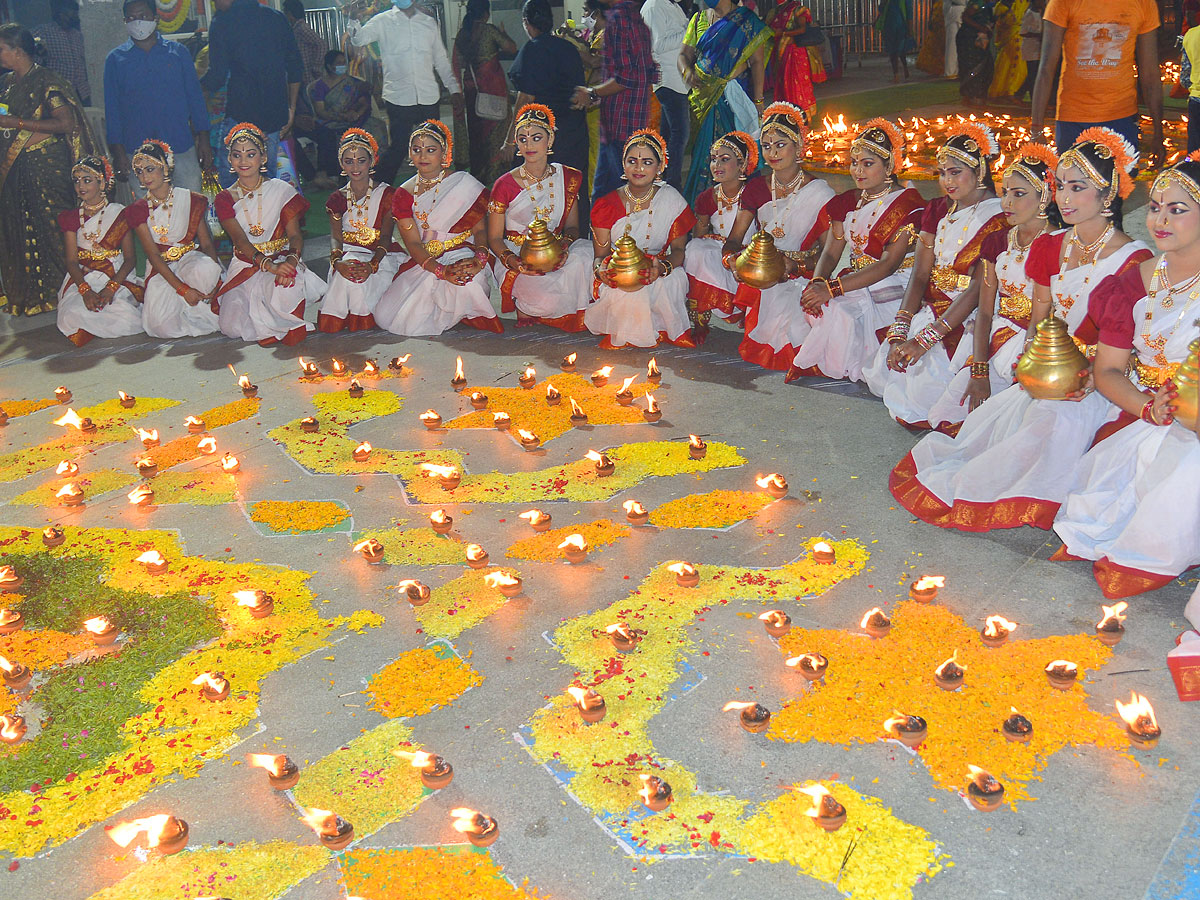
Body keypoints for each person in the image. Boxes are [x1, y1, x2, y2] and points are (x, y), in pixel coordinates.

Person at [889, 128, 1151, 532]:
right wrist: (1032, 366)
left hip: (1097, 379)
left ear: (1109, 193)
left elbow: (1124, 344)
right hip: (1047, 368)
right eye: (1061, 186)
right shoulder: (1051, 246)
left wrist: (1082, 378)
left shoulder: (1134, 260)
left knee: (1050, 426)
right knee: (993, 445)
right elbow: (1040, 319)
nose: (1064, 197)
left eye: (1078, 187)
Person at [1052, 160, 1200, 597]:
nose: (1159, 220)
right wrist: (1147, 409)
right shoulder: (1134, 281)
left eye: (1177, 209)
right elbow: (1109, 370)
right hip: (1146, 415)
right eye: (1155, 208)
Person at [861, 123, 1007, 431]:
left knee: (926, 393)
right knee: (885, 372)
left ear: (980, 170)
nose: (947, 181)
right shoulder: (937, 209)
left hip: (971, 315)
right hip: (932, 307)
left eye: (955, 172)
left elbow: (978, 290)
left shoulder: (999, 218)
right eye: (942, 173)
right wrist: (900, 329)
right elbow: (920, 274)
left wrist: (926, 339)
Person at [924, 143, 1060, 426]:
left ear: (1045, 196)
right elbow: (985, 312)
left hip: (1037, 351)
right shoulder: (998, 242)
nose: (1007, 203)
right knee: (943, 417)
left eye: (1019, 194)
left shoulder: (1060, 246)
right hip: (997, 342)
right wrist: (979, 371)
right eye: (1005, 193)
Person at [788, 119, 924, 382]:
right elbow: (830, 253)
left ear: (890, 166)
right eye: (854, 162)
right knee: (819, 305)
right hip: (858, 279)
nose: (858, 170)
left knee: (840, 310)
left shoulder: (908, 207)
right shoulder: (847, 202)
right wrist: (817, 282)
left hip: (895, 283)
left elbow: (888, 265)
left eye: (868, 163)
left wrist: (832, 288)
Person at [723, 102, 834, 370]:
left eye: (780, 144)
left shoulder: (821, 194)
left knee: (799, 333)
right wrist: (733, 261)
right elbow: (734, 239)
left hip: (805, 275)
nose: (772, 153)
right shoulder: (756, 189)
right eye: (766, 145)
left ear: (798, 147)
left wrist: (795, 266)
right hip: (763, 273)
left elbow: (828, 254)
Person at [0, 24, 95, 318]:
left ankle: (64, 293)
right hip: (15, 169)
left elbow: (66, 124)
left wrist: (18, 123)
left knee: (53, 230)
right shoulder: (6, 84)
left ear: (18, 51)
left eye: (2, 48)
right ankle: (27, 298)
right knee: (18, 228)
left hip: (46, 168)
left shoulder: (47, 82)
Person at [375, 119, 501, 335]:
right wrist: (440, 270)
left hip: (463, 251)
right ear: (409, 154)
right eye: (417, 150)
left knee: (466, 283)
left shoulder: (464, 183)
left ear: (444, 153)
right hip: (424, 258)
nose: (423, 156)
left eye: (430, 150)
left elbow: (480, 230)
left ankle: (465, 309)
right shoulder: (404, 193)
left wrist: (479, 260)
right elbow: (413, 242)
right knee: (390, 316)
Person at [214, 122, 326, 345]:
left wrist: (291, 262)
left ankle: (286, 316)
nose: (243, 161)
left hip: (283, 257)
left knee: (283, 286)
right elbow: (239, 239)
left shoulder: (282, 190)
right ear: (230, 160)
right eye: (237, 155)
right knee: (231, 326)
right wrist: (267, 265)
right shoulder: (224, 198)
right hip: (246, 265)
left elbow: (295, 235)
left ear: (263, 158)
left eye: (251, 154)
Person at [585, 128, 695, 348]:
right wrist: (602, 272)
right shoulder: (605, 205)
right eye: (632, 160)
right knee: (629, 287)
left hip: (659, 264)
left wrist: (661, 267)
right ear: (623, 164)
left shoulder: (671, 199)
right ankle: (628, 333)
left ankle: (666, 329)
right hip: (619, 267)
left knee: (672, 280)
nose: (638, 168)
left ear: (660, 166)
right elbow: (600, 256)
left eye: (647, 162)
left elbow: (680, 251)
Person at [488, 104, 593, 330]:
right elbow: (494, 238)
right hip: (518, 253)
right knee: (542, 297)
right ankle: (529, 305)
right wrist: (513, 261)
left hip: (556, 248)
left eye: (536, 138)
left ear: (550, 139)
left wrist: (563, 247)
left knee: (586, 255)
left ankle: (553, 305)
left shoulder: (567, 177)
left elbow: (573, 228)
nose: (529, 145)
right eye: (523, 139)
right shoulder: (504, 184)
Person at [345, 0, 464, 187]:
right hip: (398, 97)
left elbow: (440, 59)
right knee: (399, 147)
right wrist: (353, 20)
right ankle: (378, 188)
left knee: (435, 146)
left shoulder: (428, 22)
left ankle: (436, 187)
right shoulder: (382, 21)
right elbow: (358, 39)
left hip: (428, 96)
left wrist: (454, 89)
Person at [105, 0, 214, 194]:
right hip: (138, 150)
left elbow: (195, 99)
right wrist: (118, 153)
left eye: (143, 16)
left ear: (155, 18)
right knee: (149, 213)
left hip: (179, 144)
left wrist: (204, 139)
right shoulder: (115, 60)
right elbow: (112, 110)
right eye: (131, 18)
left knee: (191, 205)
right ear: (125, 21)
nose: (137, 22)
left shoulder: (178, 53)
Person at [1032, 0, 1163, 161]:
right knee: (1074, 183)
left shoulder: (1143, 4)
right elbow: (1046, 68)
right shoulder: (1063, 2)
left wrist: (1159, 132)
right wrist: (1036, 130)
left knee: (1120, 184)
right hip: (1073, 117)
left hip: (1122, 117)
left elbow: (1150, 73)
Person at [202, 0, 304, 187]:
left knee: (233, 182)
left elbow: (217, 75)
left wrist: (196, 93)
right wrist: (292, 108)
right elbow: (296, 66)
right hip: (274, 115)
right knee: (268, 180)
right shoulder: (277, 18)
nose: (215, 3)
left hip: (240, 115)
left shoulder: (222, 21)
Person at [127, 140, 222, 338]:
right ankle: (187, 308)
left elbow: (205, 243)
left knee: (205, 269)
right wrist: (182, 290)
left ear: (166, 167)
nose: (144, 176)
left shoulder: (190, 199)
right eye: (139, 171)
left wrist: (215, 277)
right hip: (161, 270)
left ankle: (201, 305)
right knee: (160, 327)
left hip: (190, 260)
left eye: (150, 169)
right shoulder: (138, 210)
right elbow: (153, 255)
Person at [678, 0, 771, 202]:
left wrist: (758, 101)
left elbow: (756, 62)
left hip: (733, 100)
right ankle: (704, 205)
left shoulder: (747, 21)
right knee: (703, 154)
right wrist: (687, 71)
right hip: (701, 101)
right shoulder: (698, 20)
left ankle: (742, 206)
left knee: (737, 153)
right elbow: (684, 54)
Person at [509, 0, 591, 227]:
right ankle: (578, 240)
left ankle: (545, 241)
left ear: (526, 23)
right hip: (574, 132)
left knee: (542, 188)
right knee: (574, 186)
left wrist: (509, 140)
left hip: (545, 135)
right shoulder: (569, 48)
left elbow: (525, 98)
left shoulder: (532, 50)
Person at [571, 0, 659, 203]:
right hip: (632, 118)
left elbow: (626, 77)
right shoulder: (635, 18)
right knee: (613, 193)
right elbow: (646, 72)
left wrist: (593, 93)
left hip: (619, 124)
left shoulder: (618, 20)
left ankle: (614, 234)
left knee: (612, 197)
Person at [684, 130, 768, 342]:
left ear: (742, 165)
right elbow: (700, 235)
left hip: (750, 257)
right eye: (713, 159)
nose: (717, 165)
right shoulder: (706, 197)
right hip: (722, 255)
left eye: (725, 160)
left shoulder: (755, 193)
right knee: (695, 250)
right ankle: (700, 320)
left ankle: (745, 309)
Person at [55, 156, 144, 345]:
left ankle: (94, 324)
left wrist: (111, 288)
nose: (81, 186)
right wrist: (85, 291)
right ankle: (94, 322)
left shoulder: (120, 213)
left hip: (114, 274)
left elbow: (130, 259)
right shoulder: (71, 218)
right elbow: (71, 261)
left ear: (102, 182)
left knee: (126, 316)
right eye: (77, 181)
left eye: (87, 180)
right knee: (69, 315)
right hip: (83, 276)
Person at [320, 129, 399, 332]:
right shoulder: (337, 199)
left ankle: (362, 321)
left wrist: (371, 265)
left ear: (372, 161)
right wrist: (337, 263)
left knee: (359, 282)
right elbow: (336, 238)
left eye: (361, 160)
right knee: (347, 277)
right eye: (348, 161)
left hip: (381, 256)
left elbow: (386, 237)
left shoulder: (387, 194)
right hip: (347, 256)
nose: (355, 167)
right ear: (341, 164)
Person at [453, 0, 517, 186]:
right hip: (493, 92)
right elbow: (511, 48)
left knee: (477, 136)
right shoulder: (489, 30)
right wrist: (504, 33)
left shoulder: (462, 35)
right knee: (498, 134)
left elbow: (456, 65)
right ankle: (496, 177)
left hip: (473, 93)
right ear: (485, 13)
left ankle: (478, 178)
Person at [303, 50, 372, 189]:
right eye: (338, 63)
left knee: (375, 128)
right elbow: (320, 111)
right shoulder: (320, 86)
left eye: (344, 63)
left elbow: (364, 103)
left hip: (353, 120)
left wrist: (356, 113)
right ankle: (332, 175)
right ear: (329, 66)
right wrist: (340, 116)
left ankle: (370, 171)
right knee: (326, 134)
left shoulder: (352, 82)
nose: (343, 66)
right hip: (330, 120)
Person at [641, 0, 690, 191]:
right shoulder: (654, 7)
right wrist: (689, 30)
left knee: (670, 134)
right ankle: (673, 184)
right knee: (681, 134)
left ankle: (664, 180)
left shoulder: (672, 5)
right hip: (668, 79)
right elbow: (658, 45)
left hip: (679, 79)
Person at [766, 0, 826, 117]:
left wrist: (783, 33)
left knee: (796, 84)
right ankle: (785, 115)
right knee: (782, 83)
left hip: (795, 52)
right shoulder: (775, 11)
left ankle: (802, 116)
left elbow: (802, 29)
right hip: (780, 53)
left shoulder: (797, 9)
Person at [32, 0, 90, 105]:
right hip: (58, 91)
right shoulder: (43, 32)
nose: (75, 16)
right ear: (61, 14)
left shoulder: (78, 35)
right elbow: (33, 59)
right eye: (72, 13)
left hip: (81, 92)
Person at [957, 0, 995, 107]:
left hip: (980, 39)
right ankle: (970, 97)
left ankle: (978, 96)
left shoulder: (987, 5)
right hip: (969, 39)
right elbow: (965, 17)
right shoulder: (978, 3)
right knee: (972, 67)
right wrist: (982, 28)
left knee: (986, 67)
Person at [283, 0, 328, 87]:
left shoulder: (302, 28)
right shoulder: (295, 28)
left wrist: (316, 66)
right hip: (304, 75)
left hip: (309, 75)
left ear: (290, 14)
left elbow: (321, 44)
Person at [988, 0, 1027, 100]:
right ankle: (1010, 92)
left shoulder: (1022, 3)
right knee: (1016, 65)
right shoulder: (1003, 6)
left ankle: (1003, 92)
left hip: (1015, 35)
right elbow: (1003, 21)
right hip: (1013, 36)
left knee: (1006, 64)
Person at [875, 0, 914, 83]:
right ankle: (903, 69)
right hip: (898, 26)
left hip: (892, 26)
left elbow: (881, 9)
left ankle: (896, 75)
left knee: (893, 51)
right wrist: (910, 29)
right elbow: (909, 12)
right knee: (899, 50)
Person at [1017, 0, 1044, 103]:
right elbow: (1023, 32)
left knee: (1035, 74)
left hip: (1038, 48)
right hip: (1030, 47)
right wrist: (1038, 35)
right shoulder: (1030, 14)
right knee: (1032, 74)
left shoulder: (1041, 14)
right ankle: (1028, 97)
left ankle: (1020, 94)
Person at [916, 0, 945, 76]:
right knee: (936, 47)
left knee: (940, 47)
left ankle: (940, 68)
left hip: (942, 22)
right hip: (939, 23)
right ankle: (937, 69)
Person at [944, 0, 966, 78]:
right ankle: (951, 72)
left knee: (959, 44)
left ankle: (957, 71)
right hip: (955, 12)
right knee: (952, 45)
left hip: (961, 12)